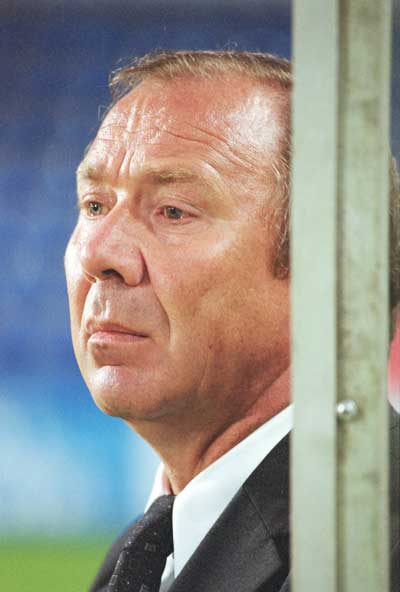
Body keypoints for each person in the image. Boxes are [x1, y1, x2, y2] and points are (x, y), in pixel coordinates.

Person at [64, 50, 399, 592]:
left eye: (174, 210)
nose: (98, 252)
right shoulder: (137, 556)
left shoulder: (372, 555)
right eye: (95, 205)